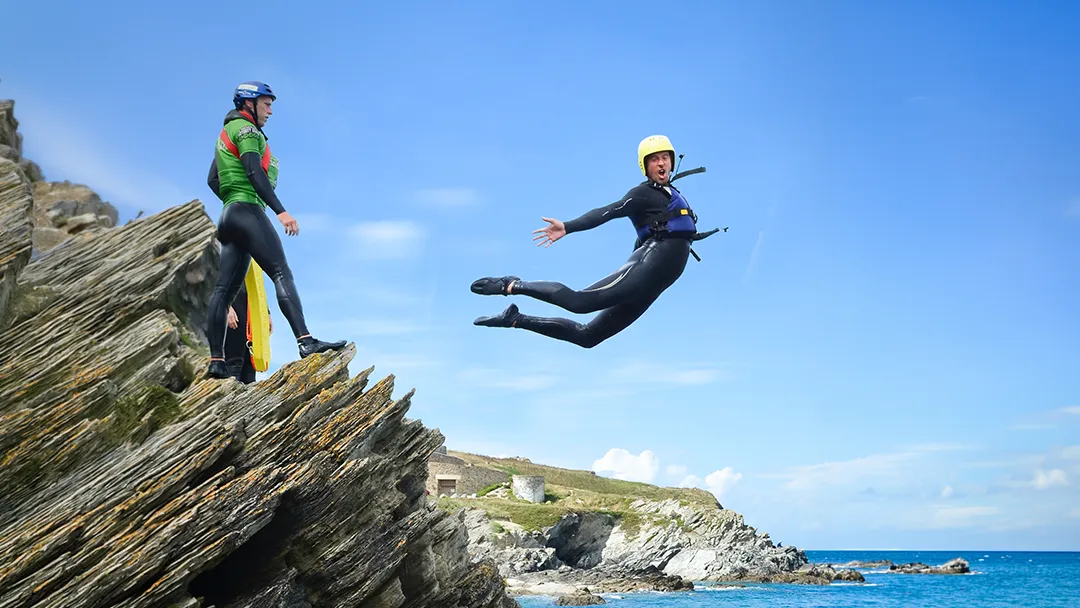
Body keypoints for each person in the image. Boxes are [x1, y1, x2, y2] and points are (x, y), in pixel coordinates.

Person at [470, 134, 718, 348]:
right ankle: (511, 284)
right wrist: (567, 227)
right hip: (649, 270)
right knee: (579, 302)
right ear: (646, 166)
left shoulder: (673, 195)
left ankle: (515, 319)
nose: (661, 162)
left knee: (588, 337)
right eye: (654, 159)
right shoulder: (643, 193)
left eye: (665, 157)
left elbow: (646, 238)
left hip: (653, 284)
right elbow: (606, 212)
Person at [204, 80, 345, 379]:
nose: (270, 110)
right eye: (266, 104)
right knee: (281, 272)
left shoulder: (224, 133)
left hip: (228, 215)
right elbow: (254, 171)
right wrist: (280, 211)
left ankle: (216, 361)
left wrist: (233, 201)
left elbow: (212, 180)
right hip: (248, 209)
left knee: (223, 290)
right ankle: (306, 342)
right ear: (248, 104)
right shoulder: (248, 131)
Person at [223, 282, 271, 384]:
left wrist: (267, 312)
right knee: (234, 361)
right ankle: (227, 396)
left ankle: (248, 398)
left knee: (250, 363)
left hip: (251, 304)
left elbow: (257, 281)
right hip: (232, 301)